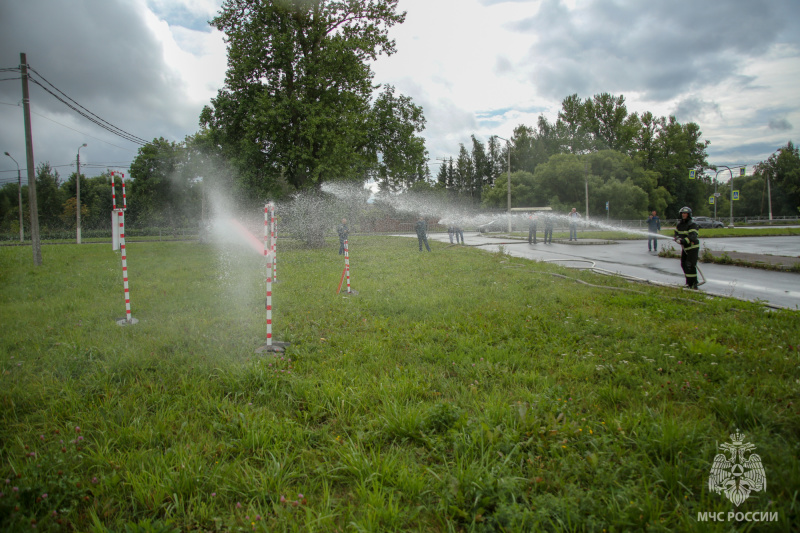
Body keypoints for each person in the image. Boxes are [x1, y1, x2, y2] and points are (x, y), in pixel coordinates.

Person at [674, 206, 700, 289]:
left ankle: (693, 284)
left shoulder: (692, 224)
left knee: (690, 265)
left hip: (692, 248)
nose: (683, 215)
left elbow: (692, 236)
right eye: (682, 213)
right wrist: (677, 238)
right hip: (685, 248)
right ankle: (689, 282)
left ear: (689, 214)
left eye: (685, 213)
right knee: (683, 264)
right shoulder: (680, 225)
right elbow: (676, 234)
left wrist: (683, 241)